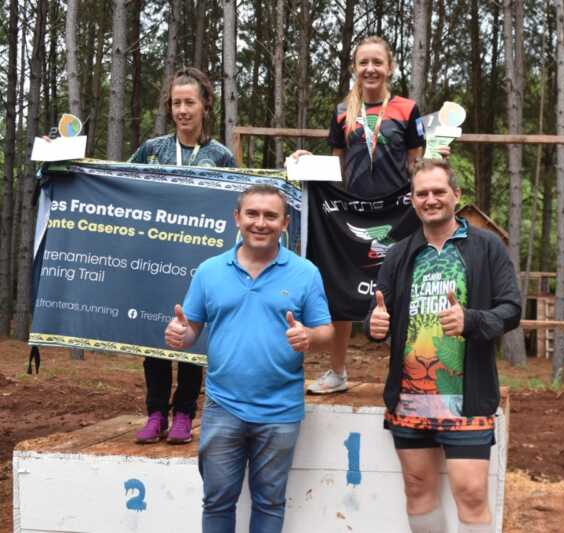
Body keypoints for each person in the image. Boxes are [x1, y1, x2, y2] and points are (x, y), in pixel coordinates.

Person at [164, 185, 333, 532]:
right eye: (252, 214)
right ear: (237, 218)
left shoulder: (305, 273)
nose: (260, 223)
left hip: (280, 408)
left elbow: (326, 332)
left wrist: (309, 337)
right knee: (217, 501)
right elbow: (192, 327)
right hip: (222, 406)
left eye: (270, 216)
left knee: (270, 503)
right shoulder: (210, 270)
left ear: (285, 223)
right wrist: (182, 334)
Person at [364, 159, 521, 533]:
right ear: (412, 200)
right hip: (410, 399)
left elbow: (512, 309)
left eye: (438, 191)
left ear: (456, 195)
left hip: (467, 398)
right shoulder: (399, 253)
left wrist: (472, 320)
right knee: (418, 491)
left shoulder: (486, 247)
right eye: (422, 193)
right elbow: (379, 314)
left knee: (471, 494)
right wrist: (374, 325)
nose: (430, 199)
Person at [293, 35, 427, 394]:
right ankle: (337, 372)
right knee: (340, 288)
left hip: (398, 214)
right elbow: (336, 165)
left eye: (377, 62)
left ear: (390, 67)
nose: (370, 69)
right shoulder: (342, 111)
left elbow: (415, 163)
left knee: (402, 292)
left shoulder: (407, 109)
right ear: (354, 68)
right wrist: (308, 162)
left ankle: (408, 374)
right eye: (363, 62)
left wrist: (427, 186)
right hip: (351, 215)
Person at [130, 67, 237, 444]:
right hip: (155, 259)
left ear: (205, 105)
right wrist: (64, 159)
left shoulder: (220, 156)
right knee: (155, 334)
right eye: (176, 103)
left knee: (193, 336)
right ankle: (155, 412)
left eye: (189, 102)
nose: (182, 110)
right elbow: (120, 185)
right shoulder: (152, 150)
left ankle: (184, 413)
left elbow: (237, 206)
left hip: (200, 265)